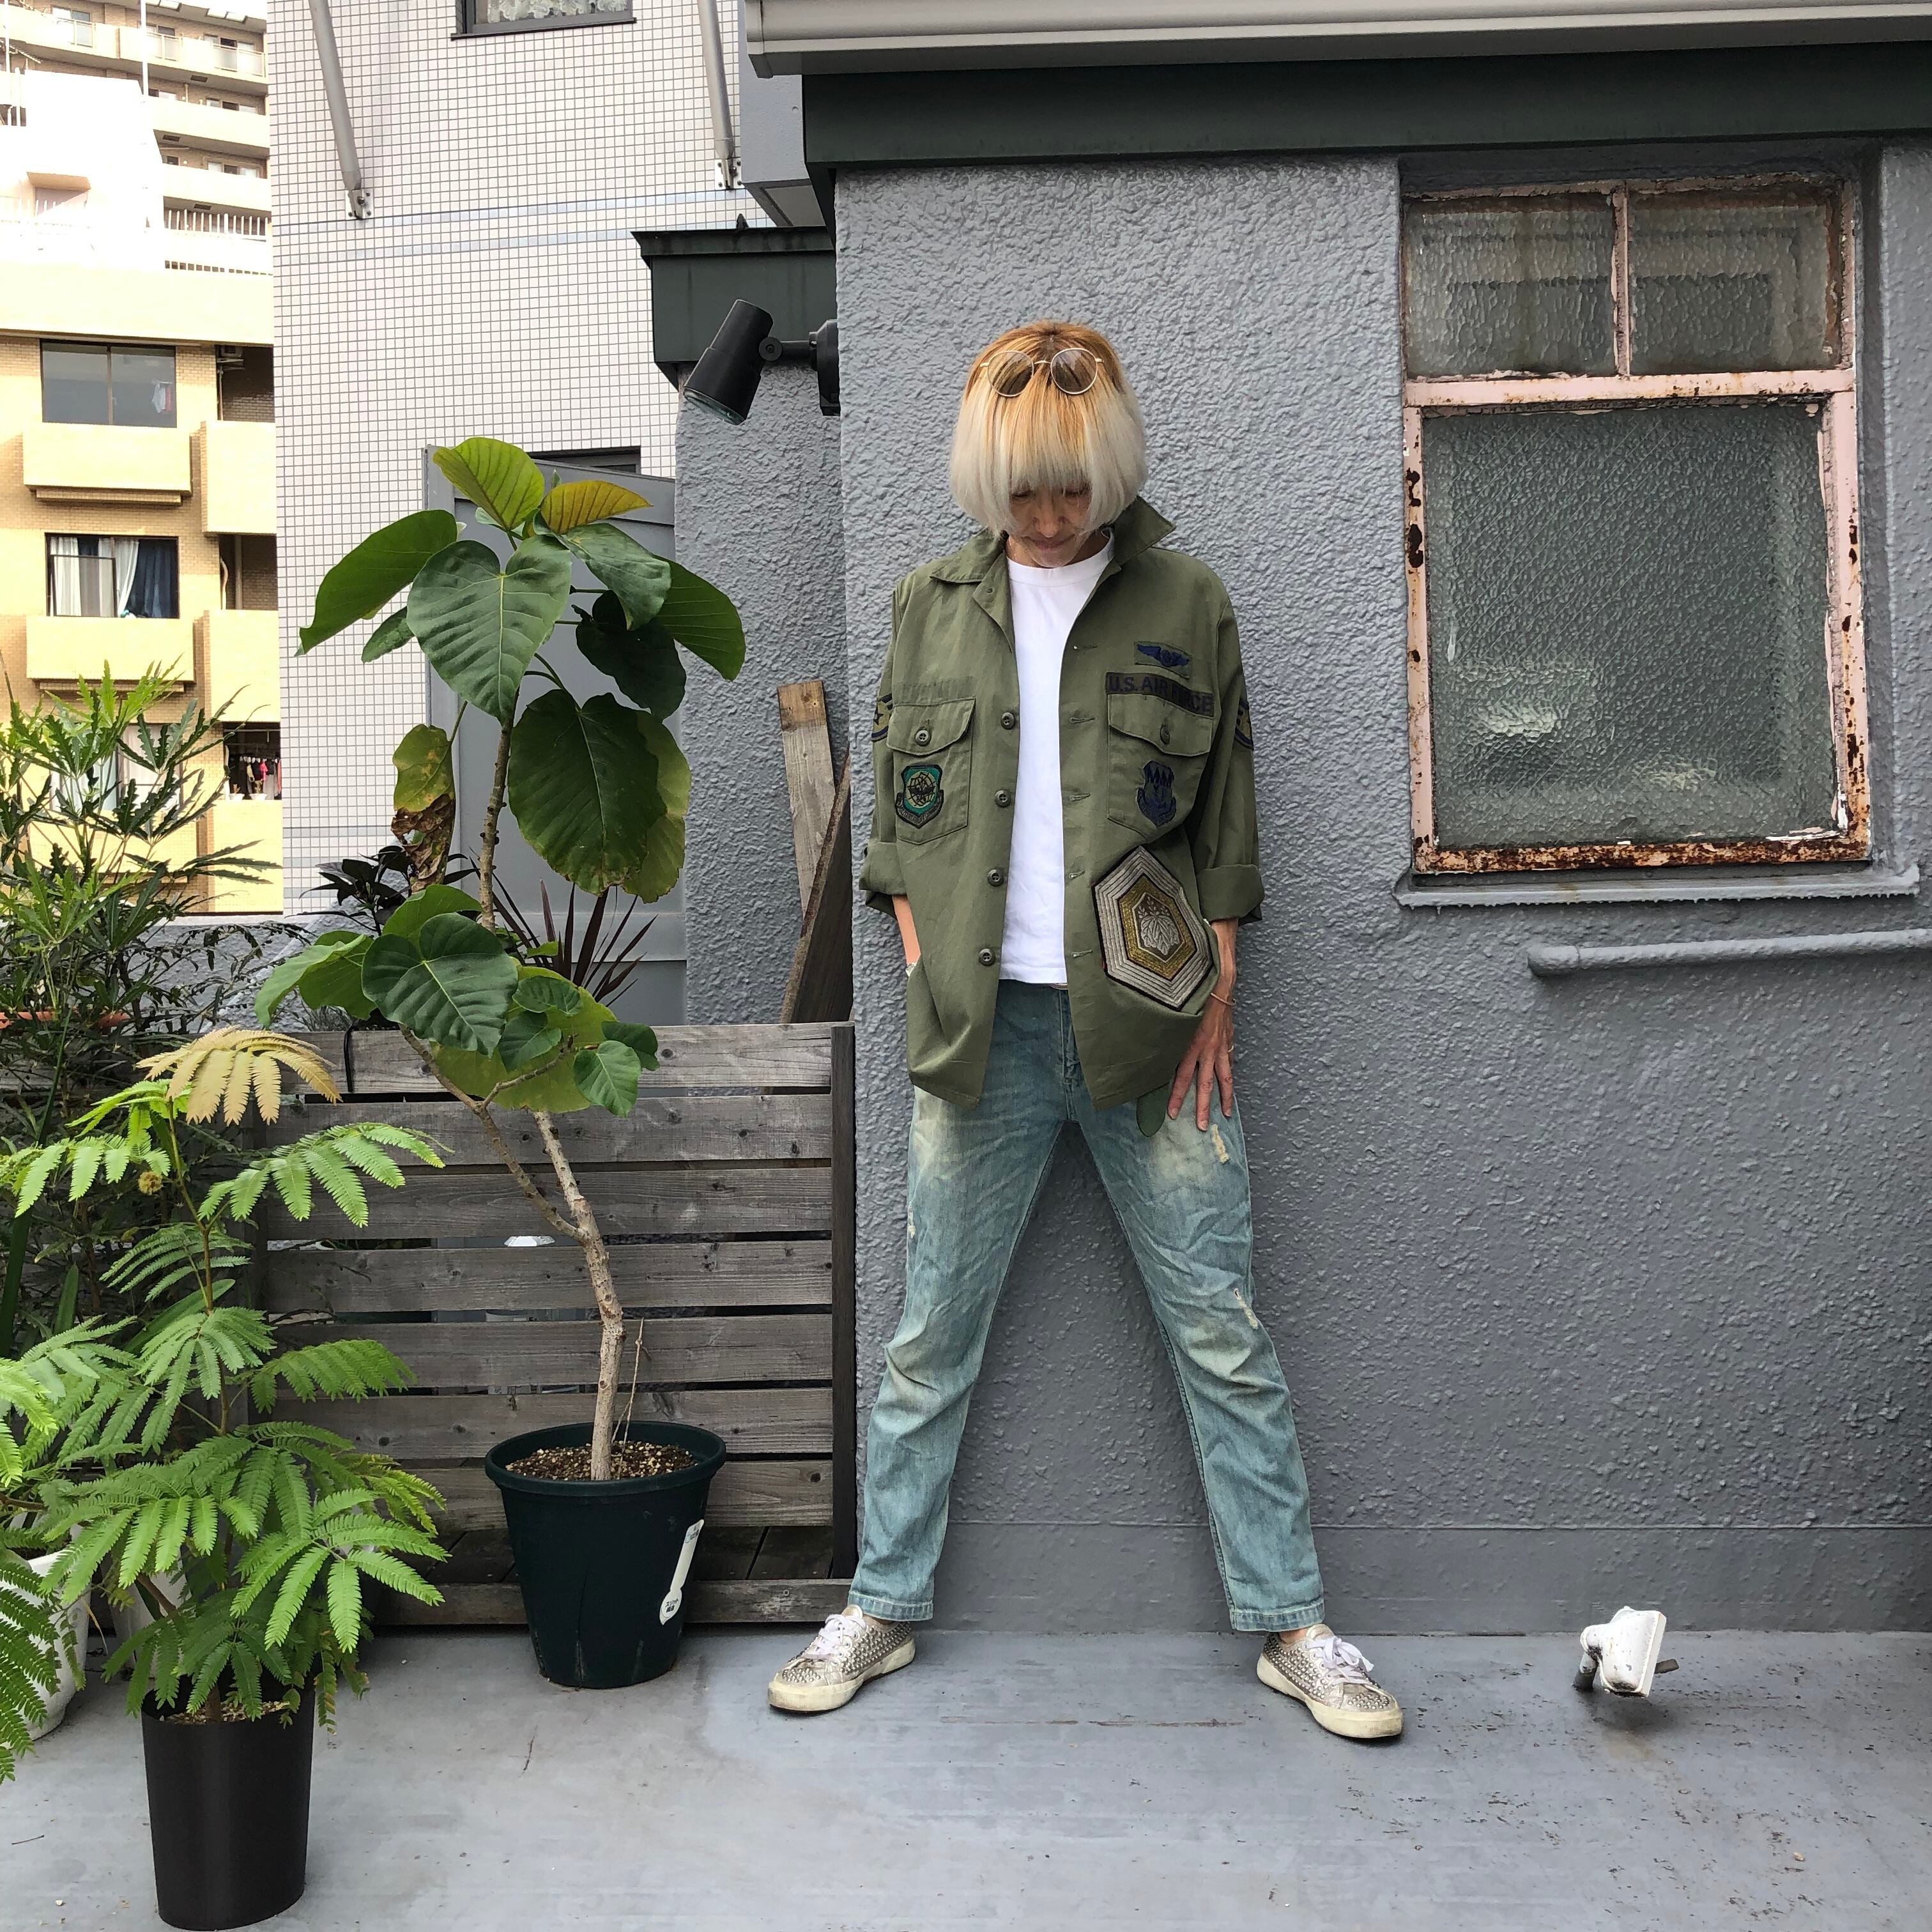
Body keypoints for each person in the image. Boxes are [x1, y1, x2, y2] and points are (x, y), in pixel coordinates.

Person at [767, 321, 1402, 1742]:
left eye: (1071, 487)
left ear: (1110, 469)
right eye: (1024, 489)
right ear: (984, 478)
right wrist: (928, 966)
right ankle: (881, 1606)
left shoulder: (1187, 599)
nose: (1050, 515)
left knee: (1222, 1328)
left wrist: (1217, 998)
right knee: (930, 1334)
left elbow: (1226, 825)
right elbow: (897, 829)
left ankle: (1296, 1626)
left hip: (1154, 1034)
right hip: (979, 1038)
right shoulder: (929, 605)